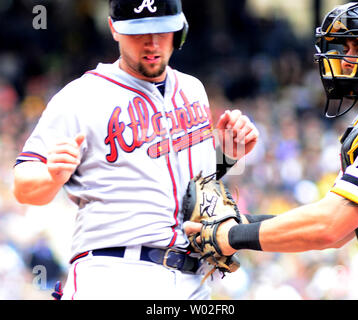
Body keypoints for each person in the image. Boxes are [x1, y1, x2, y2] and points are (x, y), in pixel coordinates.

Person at [12, 0, 258, 300]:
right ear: (114, 29)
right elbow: (24, 186)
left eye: (161, 30)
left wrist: (229, 153)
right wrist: (51, 176)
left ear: (180, 29)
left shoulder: (193, 89)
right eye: (138, 32)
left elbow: (194, 187)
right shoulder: (80, 97)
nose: (151, 43)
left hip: (194, 279)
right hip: (116, 273)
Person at [185, 0, 358, 279]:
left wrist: (231, 234)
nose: (348, 59)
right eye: (347, 48)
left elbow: (330, 225)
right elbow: (341, 230)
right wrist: (238, 224)